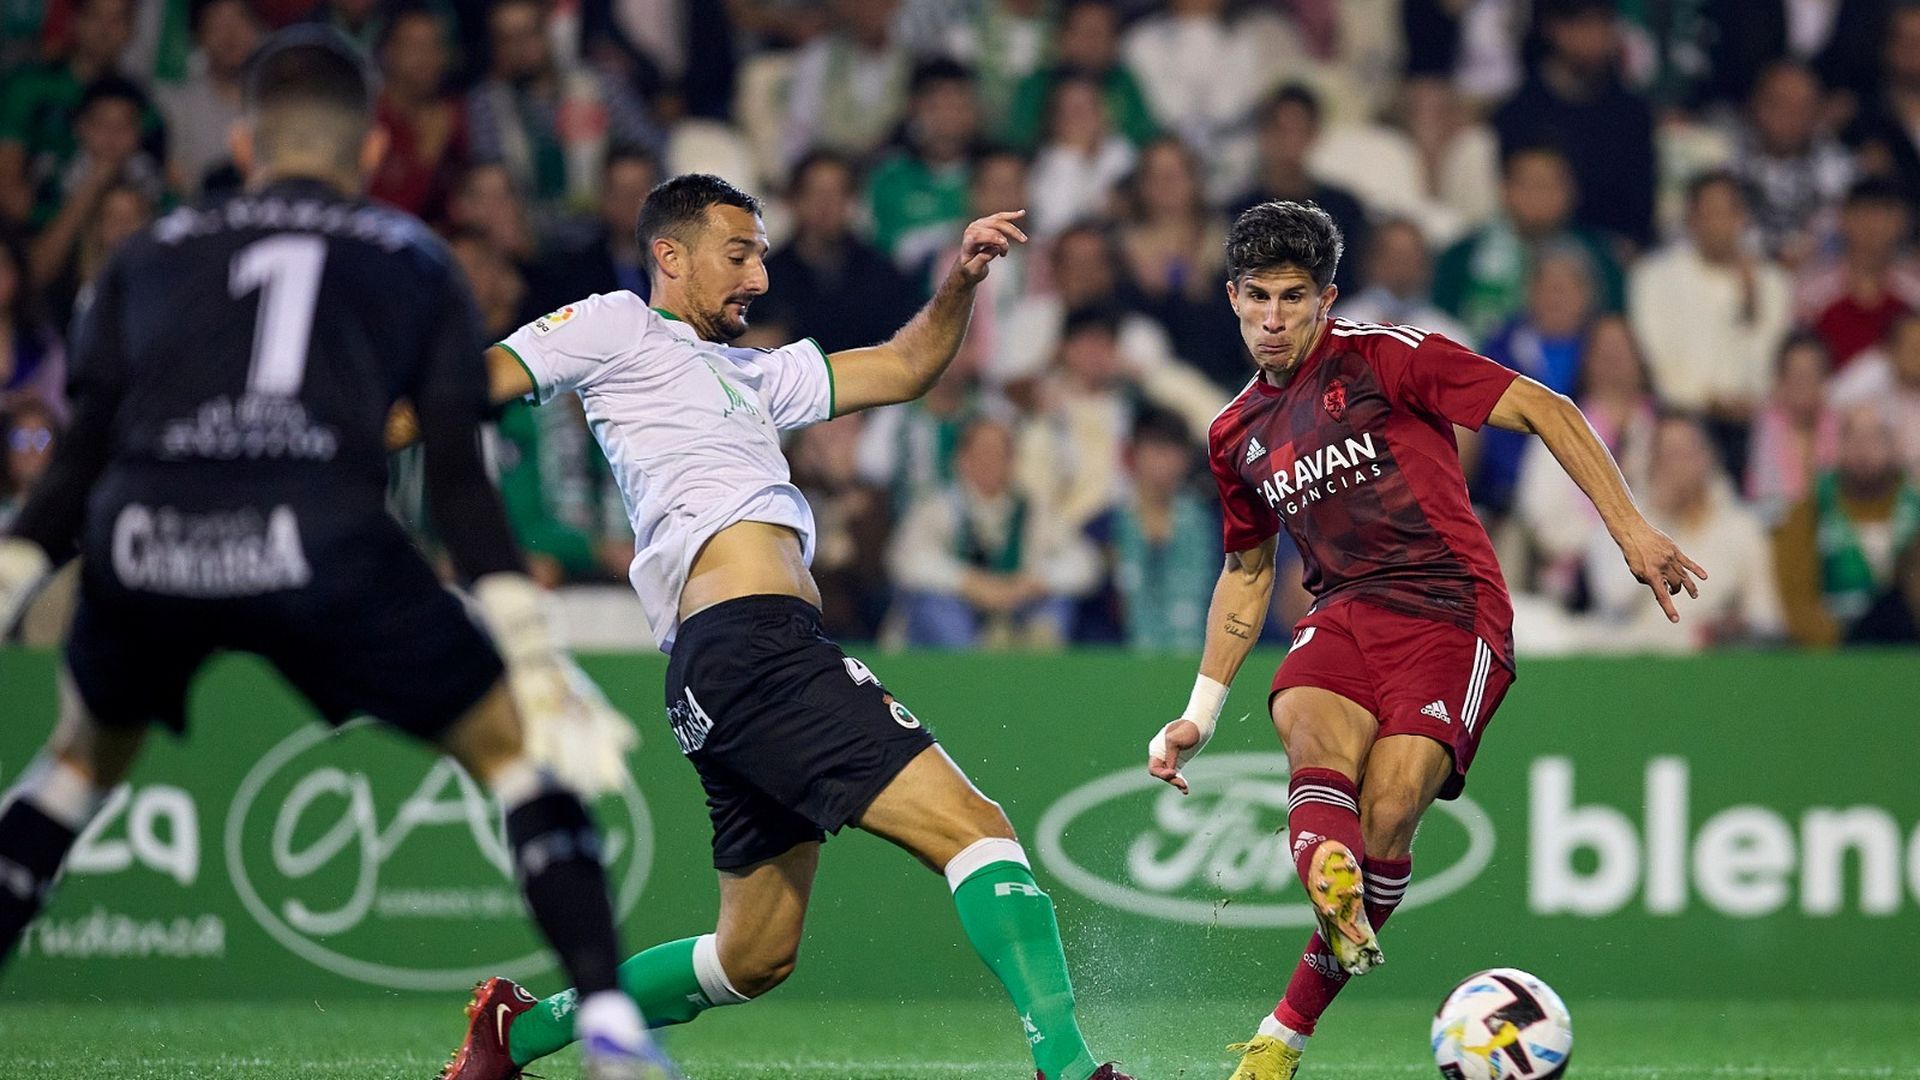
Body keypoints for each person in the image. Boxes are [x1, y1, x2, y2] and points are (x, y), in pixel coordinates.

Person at [0, 29, 674, 1080]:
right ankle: (612, 1032)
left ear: (243, 139)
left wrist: (8, 580)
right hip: (323, 540)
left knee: (76, 763)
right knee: (517, 754)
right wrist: (529, 650)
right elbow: (455, 474)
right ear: (368, 155)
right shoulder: (411, 258)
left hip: (151, 540)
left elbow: (78, 458)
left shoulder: (148, 253)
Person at [436, 175, 1132, 1080]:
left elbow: (906, 365)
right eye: (739, 254)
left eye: (762, 254)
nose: (758, 276)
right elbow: (474, 381)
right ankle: (1072, 1069)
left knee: (751, 956)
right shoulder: (618, 324)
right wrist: (358, 428)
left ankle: (517, 1034)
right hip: (752, 645)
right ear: (670, 257)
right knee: (978, 831)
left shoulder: (754, 374)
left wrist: (959, 281)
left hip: (720, 667)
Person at [1142, 201, 1704, 1080]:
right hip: (1343, 610)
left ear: (1326, 300)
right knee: (1305, 722)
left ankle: (1286, 1025)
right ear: (1232, 298)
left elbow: (1547, 407)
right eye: (1259, 298)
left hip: (1452, 609)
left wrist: (1630, 528)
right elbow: (1249, 575)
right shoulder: (1234, 434)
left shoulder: (1389, 358)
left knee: (1393, 807)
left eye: (1295, 298)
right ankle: (1325, 884)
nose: (1275, 319)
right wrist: (1199, 713)